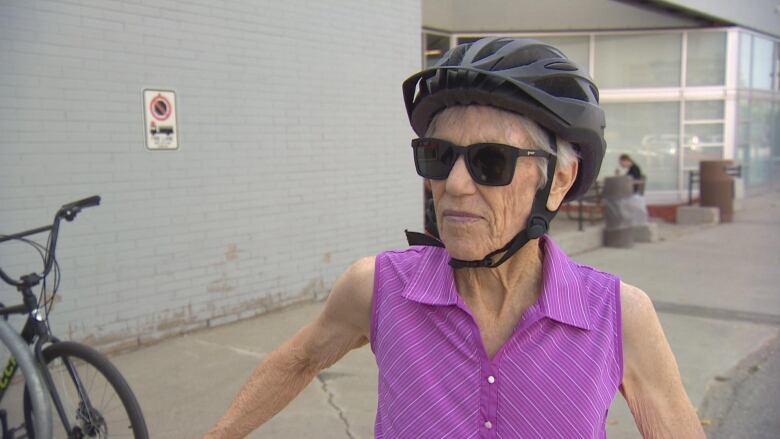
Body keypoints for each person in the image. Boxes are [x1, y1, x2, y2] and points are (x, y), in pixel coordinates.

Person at [204, 38, 704, 438]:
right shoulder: (378, 288)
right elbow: (299, 359)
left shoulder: (618, 316)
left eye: (491, 162)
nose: (455, 185)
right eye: (439, 157)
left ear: (560, 181)